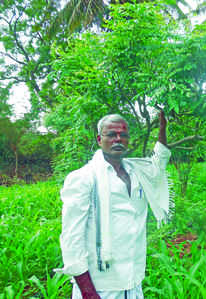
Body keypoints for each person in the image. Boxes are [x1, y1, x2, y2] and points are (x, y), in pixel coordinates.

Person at [57, 111, 171, 299]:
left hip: (133, 281)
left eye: (123, 135)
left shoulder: (137, 171)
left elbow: (159, 163)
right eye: (111, 134)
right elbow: (71, 239)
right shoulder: (84, 178)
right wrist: (88, 292)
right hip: (100, 286)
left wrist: (162, 129)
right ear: (99, 139)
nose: (118, 139)